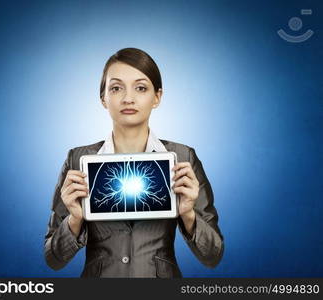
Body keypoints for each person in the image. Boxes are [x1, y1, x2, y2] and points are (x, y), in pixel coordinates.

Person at [44, 48, 224, 278]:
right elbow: (53, 259)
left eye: (140, 88)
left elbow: (213, 256)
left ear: (157, 97)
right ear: (103, 99)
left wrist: (188, 215)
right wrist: (75, 220)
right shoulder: (78, 160)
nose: (128, 98)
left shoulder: (183, 157)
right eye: (116, 88)